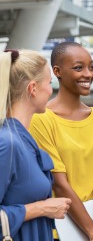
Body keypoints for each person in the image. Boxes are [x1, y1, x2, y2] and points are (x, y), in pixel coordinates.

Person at [30, 42, 93, 240]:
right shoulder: (42, 119)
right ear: (57, 71)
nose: (88, 74)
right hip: (60, 230)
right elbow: (59, 184)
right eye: (79, 68)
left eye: (91, 67)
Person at [0, 49, 71, 240]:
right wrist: (40, 208)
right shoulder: (8, 143)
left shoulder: (22, 139)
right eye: (49, 83)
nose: (51, 90)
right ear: (33, 88)